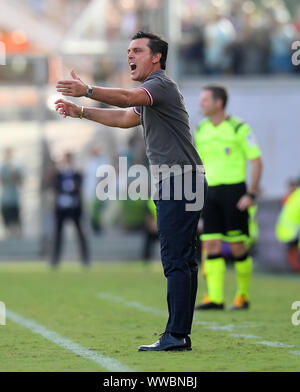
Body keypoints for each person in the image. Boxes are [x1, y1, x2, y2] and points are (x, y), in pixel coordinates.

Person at [55, 31, 206, 351]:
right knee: (184, 260)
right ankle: (179, 333)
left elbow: (126, 100)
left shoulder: (160, 84)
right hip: (184, 179)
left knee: (176, 259)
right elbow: (126, 117)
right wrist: (81, 111)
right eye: (128, 50)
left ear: (156, 58)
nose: (130, 56)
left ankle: (177, 335)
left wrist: (88, 91)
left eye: (137, 50)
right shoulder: (154, 92)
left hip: (179, 179)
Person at [194, 85, 263, 310]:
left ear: (219, 103)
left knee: (237, 247)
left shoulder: (238, 128)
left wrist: (251, 193)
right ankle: (215, 298)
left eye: (205, 100)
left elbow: (256, 161)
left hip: (234, 193)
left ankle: (243, 295)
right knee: (211, 243)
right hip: (210, 193)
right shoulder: (201, 129)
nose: (200, 104)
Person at [51, 152, 90, 267]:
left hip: (74, 207)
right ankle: (55, 259)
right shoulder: (59, 174)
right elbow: (55, 187)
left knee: (79, 233)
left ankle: (85, 258)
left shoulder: (77, 174)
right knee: (58, 234)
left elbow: (79, 186)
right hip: (61, 207)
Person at [0, 148, 23, 238]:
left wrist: (15, 174)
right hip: (6, 198)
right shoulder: (2, 168)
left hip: (14, 197)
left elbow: (20, 181)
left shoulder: (16, 167)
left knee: (15, 220)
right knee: (7, 220)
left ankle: (16, 234)